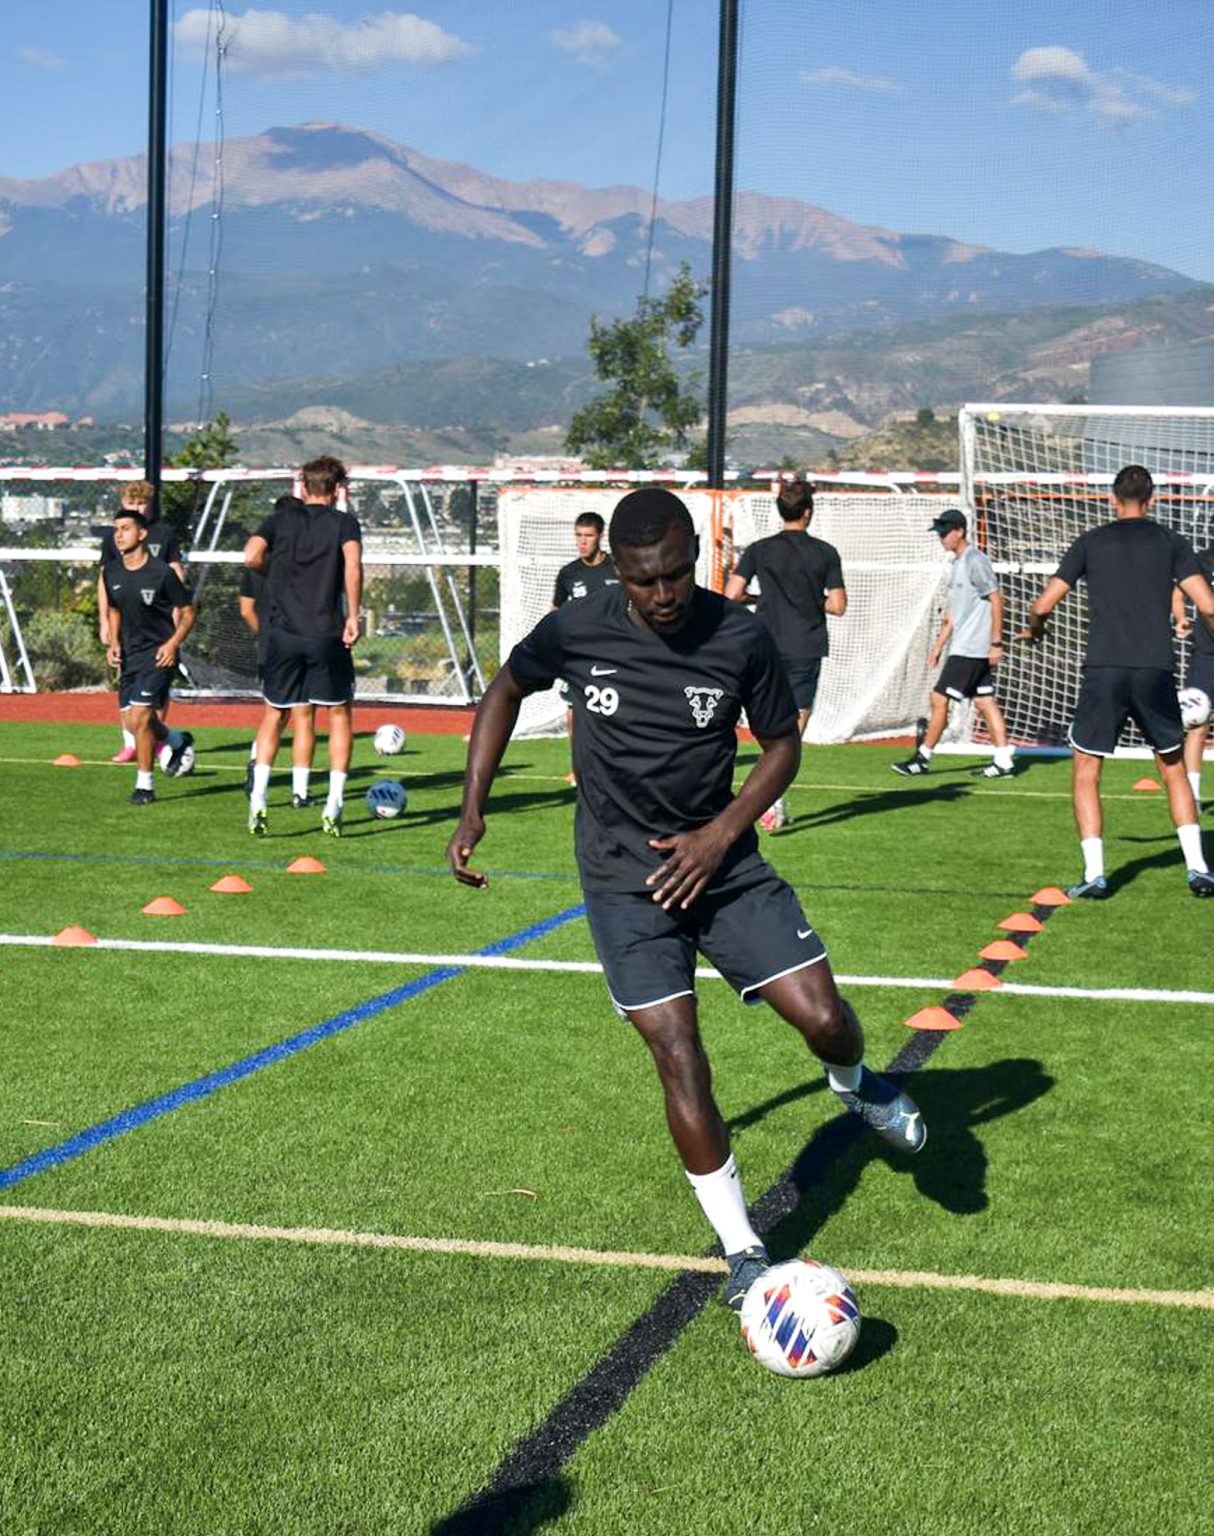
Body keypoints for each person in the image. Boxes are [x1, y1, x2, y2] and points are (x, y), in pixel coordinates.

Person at [447, 487, 925, 1314]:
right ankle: (742, 1250)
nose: (661, 595)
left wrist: (719, 833)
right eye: (643, 580)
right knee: (678, 1050)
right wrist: (473, 804)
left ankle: (855, 1083)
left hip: (727, 866)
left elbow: (783, 745)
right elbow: (503, 690)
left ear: (695, 560)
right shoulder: (578, 624)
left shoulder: (740, 635)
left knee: (822, 1017)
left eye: (673, 575)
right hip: (622, 881)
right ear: (621, 573)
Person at [1020, 464, 1214, 898]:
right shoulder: (1170, 541)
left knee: (1087, 770)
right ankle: (1199, 870)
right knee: (1173, 768)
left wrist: (1035, 630)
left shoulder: (1091, 542)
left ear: (1112, 499)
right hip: (1155, 669)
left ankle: (1095, 876)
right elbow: (1209, 606)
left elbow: (1043, 603)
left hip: (1104, 670)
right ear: (1153, 499)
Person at [243, 456, 362, 837]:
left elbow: (251, 555)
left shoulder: (279, 521)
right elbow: (353, 566)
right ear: (337, 489)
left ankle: (259, 799)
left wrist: (272, 575)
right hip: (325, 633)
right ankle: (334, 805)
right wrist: (354, 615)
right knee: (339, 715)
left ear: (302, 485)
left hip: (282, 635)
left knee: (274, 715)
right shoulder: (344, 523)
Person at [724, 478, 846, 826]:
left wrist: (761, 599)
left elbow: (732, 594)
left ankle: (757, 798)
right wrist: (811, 600)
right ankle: (771, 800)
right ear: (808, 512)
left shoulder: (760, 550)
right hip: (805, 648)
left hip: (763, 645)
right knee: (791, 735)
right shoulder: (825, 552)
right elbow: (838, 605)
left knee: (761, 723)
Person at [892, 508, 1015, 779]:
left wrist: (996, 642)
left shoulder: (975, 560)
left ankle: (922, 759)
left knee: (939, 698)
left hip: (972, 648)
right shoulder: (957, 564)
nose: (941, 538)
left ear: (960, 531)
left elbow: (996, 599)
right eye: (939, 533)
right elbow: (954, 615)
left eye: (945, 533)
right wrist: (938, 646)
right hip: (966, 646)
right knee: (985, 702)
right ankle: (1004, 760)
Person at [102, 506, 196, 804]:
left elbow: (189, 612)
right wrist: (113, 642)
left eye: (126, 529)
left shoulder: (161, 573)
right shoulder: (111, 572)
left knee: (142, 717)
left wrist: (172, 644)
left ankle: (145, 785)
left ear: (142, 534)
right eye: (116, 529)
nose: (119, 535)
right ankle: (176, 739)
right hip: (129, 655)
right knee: (132, 723)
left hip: (159, 655)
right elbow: (115, 609)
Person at [96, 480, 187, 764]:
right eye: (131, 503)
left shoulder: (163, 533)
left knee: (157, 688)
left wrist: (175, 608)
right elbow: (105, 581)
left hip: (158, 625)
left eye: (142, 503)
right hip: (129, 625)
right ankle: (135, 742)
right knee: (127, 686)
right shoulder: (117, 536)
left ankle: (156, 742)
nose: (137, 507)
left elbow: (176, 570)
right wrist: (105, 623)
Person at [238, 493, 317, 807]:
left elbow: (246, 610)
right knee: (301, 715)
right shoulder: (303, 563)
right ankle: (300, 792)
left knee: (274, 713)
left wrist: (266, 636)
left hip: (270, 648)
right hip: (300, 644)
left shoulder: (259, 563)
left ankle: (256, 769)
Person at [551, 510, 619, 780]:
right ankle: (579, 767)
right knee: (573, 710)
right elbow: (556, 610)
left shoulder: (617, 568)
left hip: (614, 652)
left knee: (612, 711)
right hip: (579, 654)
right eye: (578, 535)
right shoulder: (568, 573)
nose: (582, 541)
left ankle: (614, 765)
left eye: (588, 536)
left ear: (600, 536)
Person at [1174, 532, 1214, 812]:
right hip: (1207, 655)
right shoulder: (1201, 561)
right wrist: (1181, 618)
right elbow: (1177, 595)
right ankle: (1193, 797)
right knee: (1197, 724)